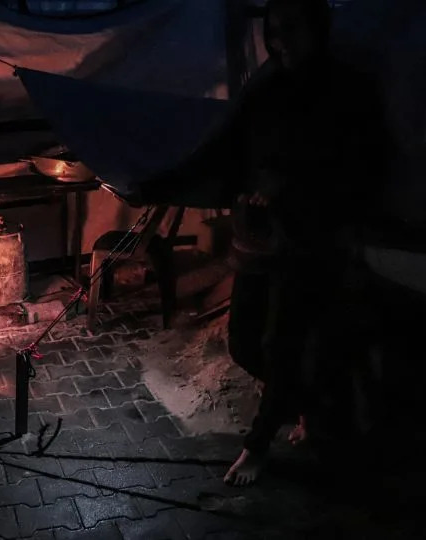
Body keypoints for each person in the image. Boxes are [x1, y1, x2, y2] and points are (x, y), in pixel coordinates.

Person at [143, 0, 389, 486]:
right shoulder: (267, 86)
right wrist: (162, 178)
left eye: (291, 30)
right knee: (243, 343)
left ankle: (258, 448)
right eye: (273, 32)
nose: (280, 43)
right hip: (258, 236)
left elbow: (361, 168)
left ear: (317, 30)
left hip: (311, 240)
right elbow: (228, 146)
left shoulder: (347, 90)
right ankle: (303, 406)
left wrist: (290, 188)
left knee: (283, 344)